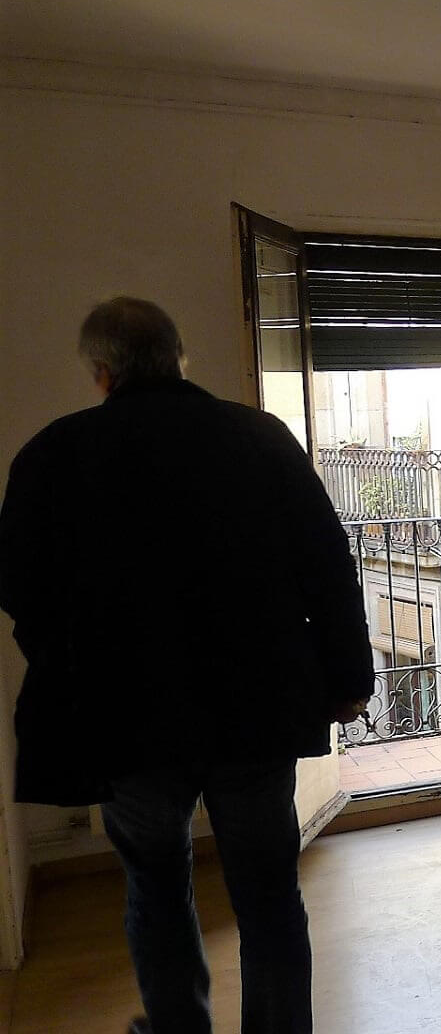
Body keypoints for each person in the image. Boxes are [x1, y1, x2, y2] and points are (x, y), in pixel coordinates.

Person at [0, 298, 373, 1034]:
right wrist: (348, 680)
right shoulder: (259, 437)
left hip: (124, 718)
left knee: (156, 886)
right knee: (269, 894)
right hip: (255, 709)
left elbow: (20, 588)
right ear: (179, 358)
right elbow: (328, 566)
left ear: (101, 371)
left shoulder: (54, 453)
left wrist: (69, 666)